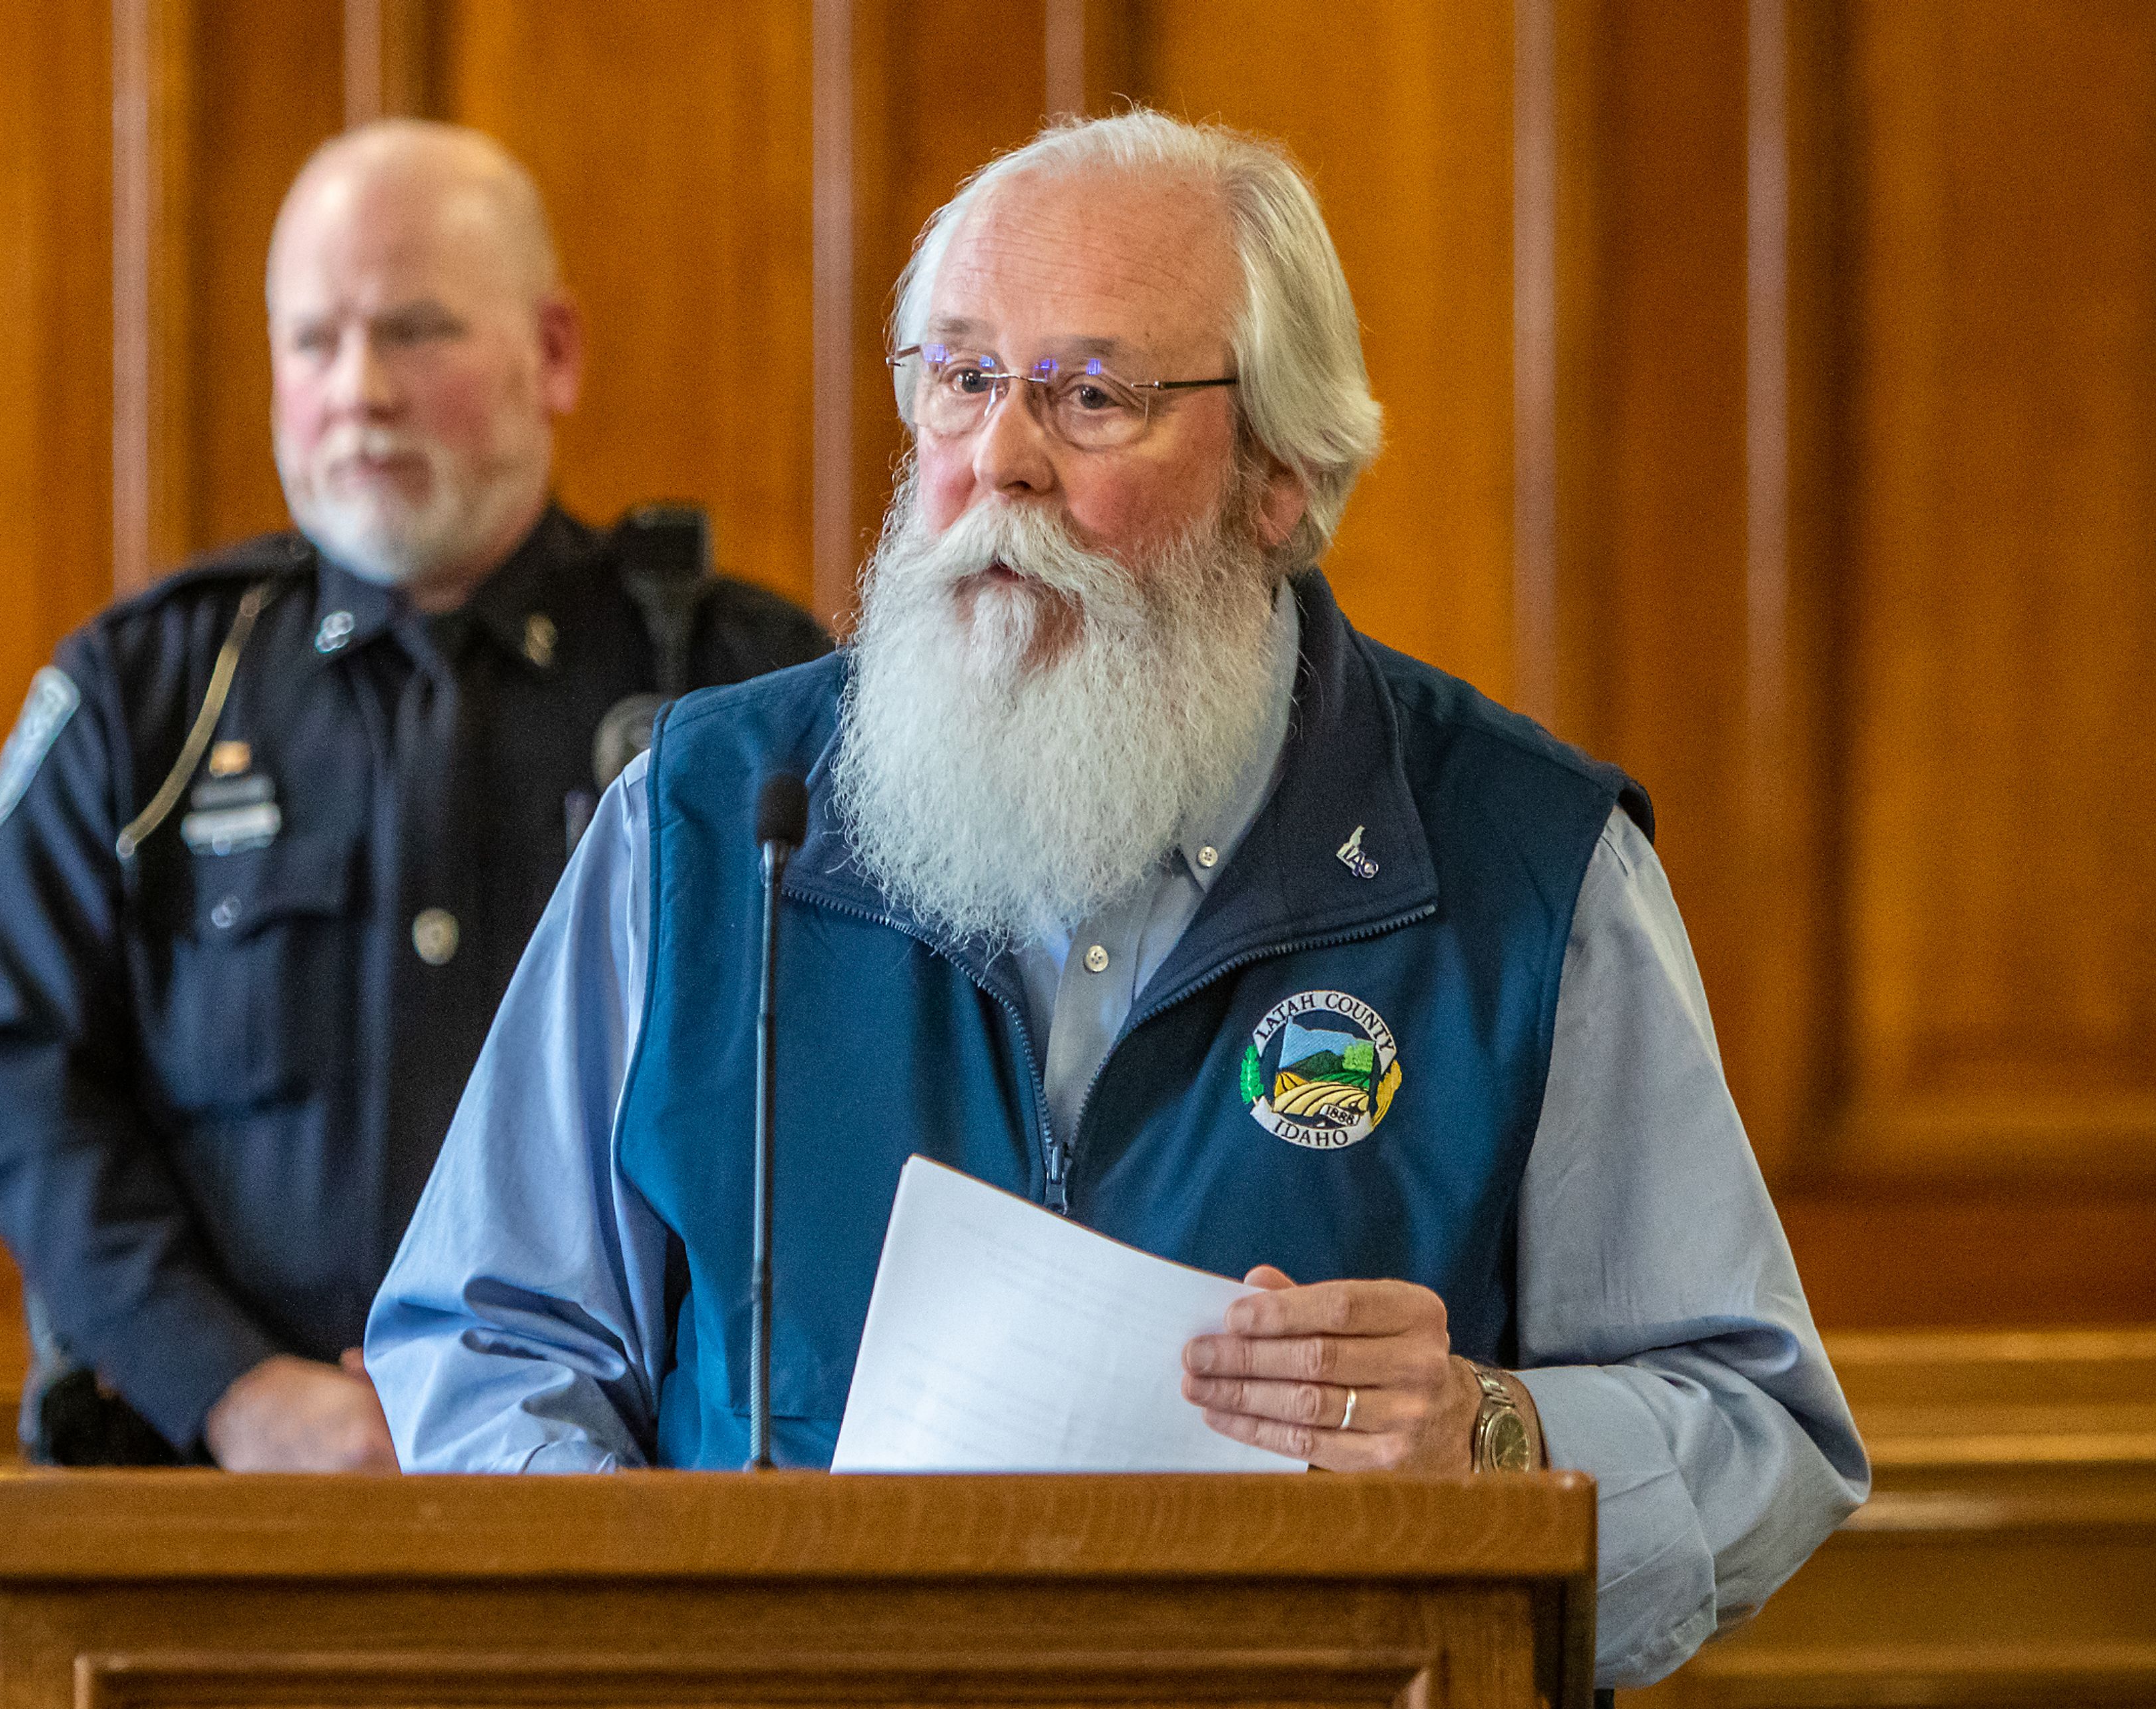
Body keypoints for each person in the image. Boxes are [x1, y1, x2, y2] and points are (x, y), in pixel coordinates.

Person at [362, 111, 1868, 1686]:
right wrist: (663, 1638)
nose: (998, 459)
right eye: (959, 376)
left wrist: (1495, 1439)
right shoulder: (712, 817)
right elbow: (489, 1338)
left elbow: (1760, 1425)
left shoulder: (1518, 860)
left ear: (1281, 477)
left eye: (1093, 397)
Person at [0, 120, 828, 1472]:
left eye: (416, 332)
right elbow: (16, 1079)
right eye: (314, 341)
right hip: (224, 1498)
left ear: (556, 352)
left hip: (623, 1504)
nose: (360, 390)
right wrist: (232, 1389)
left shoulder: (734, 689)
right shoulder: (151, 695)